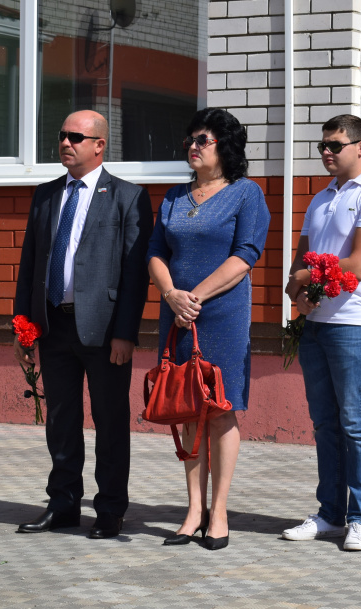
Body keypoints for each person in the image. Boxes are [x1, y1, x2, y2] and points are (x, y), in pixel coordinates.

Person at [13, 110, 153, 540]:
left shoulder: (128, 196)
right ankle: (63, 505)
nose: (65, 143)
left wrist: (125, 333)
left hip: (105, 331)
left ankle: (109, 509)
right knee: (61, 420)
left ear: (99, 145)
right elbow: (30, 264)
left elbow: (135, 274)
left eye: (76, 136)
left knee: (110, 422)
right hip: (54, 325)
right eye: (62, 135)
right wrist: (23, 327)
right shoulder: (46, 194)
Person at [147, 108, 270, 551]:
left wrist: (193, 297)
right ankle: (194, 510)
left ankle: (219, 512)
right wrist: (171, 295)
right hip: (177, 313)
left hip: (221, 314)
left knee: (220, 407)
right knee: (186, 408)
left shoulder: (246, 193)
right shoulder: (174, 196)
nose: (193, 146)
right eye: (190, 139)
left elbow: (246, 254)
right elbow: (155, 251)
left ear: (226, 146)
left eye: (203, 139)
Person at [282, 115, 361, 551]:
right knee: (324, 424)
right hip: (314, 325)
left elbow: (359, 264)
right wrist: (299, 297)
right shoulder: (321, 198)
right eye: (322, 146)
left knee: (354, 423)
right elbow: (298, 266)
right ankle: (330, 514)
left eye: (335, 144)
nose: (326, 152)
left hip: (354, 323)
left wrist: (304, 279)